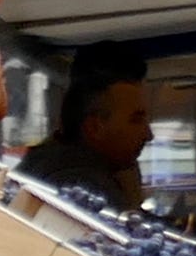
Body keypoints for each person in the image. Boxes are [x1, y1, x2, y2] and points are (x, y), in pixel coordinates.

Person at [21, 57, 161, 213]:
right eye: (136, 120)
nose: (148, 135)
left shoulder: (48, 167)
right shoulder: (84, 189)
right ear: (94, 127)